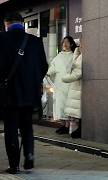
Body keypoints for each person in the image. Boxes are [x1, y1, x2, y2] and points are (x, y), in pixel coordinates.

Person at [0, 12, 48, 174]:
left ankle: (14, 165)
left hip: (9, 94)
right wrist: (33, 82)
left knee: (11, 128)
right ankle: (29, 155)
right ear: (22, 23)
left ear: (7, 24)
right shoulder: (35, 41)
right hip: (30, 93)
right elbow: (43, 66)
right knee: (27, 126)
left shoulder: (1, 39)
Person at [46, 36, 76, 134]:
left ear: (71, 44)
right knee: (60, 105)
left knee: (68, 105)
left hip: (70, 84)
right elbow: (51, 69)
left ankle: (68, 126)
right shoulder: (58, 56)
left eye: (67, 42)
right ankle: (64, 125)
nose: (65, 44)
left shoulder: (74, 56)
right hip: (59, 85)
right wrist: (48, 75)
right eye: (63, 42)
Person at [62, 42, 82, 138]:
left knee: (76, 113)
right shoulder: (79, 55)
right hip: (75, 88)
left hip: (77, 88)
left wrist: (63, 78)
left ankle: (77, 130)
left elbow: (76, 73)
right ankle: (73, 130)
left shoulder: (82, 57)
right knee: (74, 113)